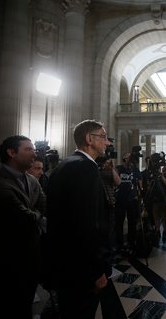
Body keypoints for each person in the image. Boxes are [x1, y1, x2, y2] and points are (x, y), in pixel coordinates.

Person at [44, 120, 115, 318]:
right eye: (103, 137)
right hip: (81, 270)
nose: (107, 142)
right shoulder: (86, 168)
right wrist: (96, 271)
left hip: (64, 263)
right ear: (89, 139)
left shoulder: (65, 164)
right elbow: (87, 225)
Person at [0, 135, 46, 317]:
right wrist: (36, 215)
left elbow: (44, 204)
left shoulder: (32, 180)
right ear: (12, 153)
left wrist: (35, 214)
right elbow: (26, 219)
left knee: (25, 306)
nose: (35, 153)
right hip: (8, 261)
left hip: (31, 257)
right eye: (28, 149)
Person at [114, 152, 141, 251]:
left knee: (132, 222)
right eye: (127, 156)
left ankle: (131, 242)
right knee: (119, 223)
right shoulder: (119, 168)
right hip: (120, 199)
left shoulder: (135, 169)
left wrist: (138, 193)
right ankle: (119, 244)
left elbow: (140, 184)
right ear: (124, 158)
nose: (130, 157)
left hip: (131, 200)